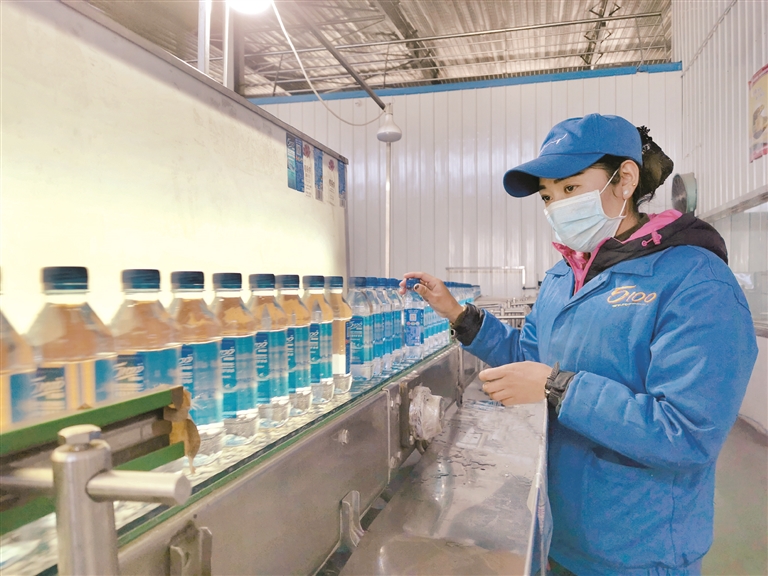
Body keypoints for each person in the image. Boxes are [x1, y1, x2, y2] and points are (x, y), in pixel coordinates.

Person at [403, 114, 758, 575]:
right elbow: (530, 362)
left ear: (624, 179)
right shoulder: (562, 277)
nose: (556, 207)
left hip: (637, 550)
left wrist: (558, 389)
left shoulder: (695, 281)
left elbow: (687, 432)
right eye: (547, 196)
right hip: (556, 528)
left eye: (570, 188)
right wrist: (460, 316)